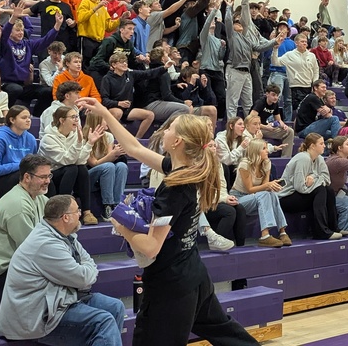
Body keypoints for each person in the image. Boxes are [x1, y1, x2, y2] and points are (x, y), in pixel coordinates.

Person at [77, 100, 260, 346]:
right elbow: (133, 147)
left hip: (171, 285)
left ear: (177, 142)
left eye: (170, 128)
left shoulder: (174, 185)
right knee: (228, 335)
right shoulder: (185, 168)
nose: (164, 131)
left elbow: (151, 246)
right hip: (193, 274)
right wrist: (105, 115)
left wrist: (123, 228)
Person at [0, 194, 125, 344]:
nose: (80, 214)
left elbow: (88, 262)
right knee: (103, 322)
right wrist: (87, 271)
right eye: (77, 211)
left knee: (116, 307)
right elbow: (83, 278)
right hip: (37, 318)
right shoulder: (46, 244)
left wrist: (87, 271)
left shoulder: (65, 235)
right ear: (65, 217)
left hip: (61, 301)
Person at [0, 154, 52, 287]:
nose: (47, 181)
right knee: (58, 280)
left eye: (49, 176)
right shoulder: (18, 204)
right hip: (2, 270)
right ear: (27, 177)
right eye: (43, 177)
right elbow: (30, 247)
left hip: (20, 262)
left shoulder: (39, 197)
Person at [38, 106, 100, 225]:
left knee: (81, 169)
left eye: (77, 116)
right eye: (73, 117)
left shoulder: (75, 135)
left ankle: (87, 211)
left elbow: (81, 161)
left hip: (70, 172)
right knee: (71, 168)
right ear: (62, 120)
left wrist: (89, 143)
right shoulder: (48, 138)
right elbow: (66, 160)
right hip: (50, 176)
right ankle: (63, 209)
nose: (77, 120)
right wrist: (78, 144)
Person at [278, 133, 343, 240]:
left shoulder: (319, 159)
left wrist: (313, 177)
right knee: (321, 190)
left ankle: (333, 228)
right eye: (321, 143)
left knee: (329, 190)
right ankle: (320, 232)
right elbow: (300, 187)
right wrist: (318, 179)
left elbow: (327, 179)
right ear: (312, 146)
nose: (324, 146)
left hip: (301, 195)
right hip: (287, 198)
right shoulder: (303, 158)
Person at [230, 138, 290, 247]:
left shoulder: (266, 163)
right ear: (256, 150)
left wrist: (271, 185)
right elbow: (250, 189)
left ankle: (282, 232)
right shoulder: (245, 164)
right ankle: (265, 236)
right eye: (264, 148)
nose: (267, 151)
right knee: (265, 194)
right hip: (239, 199)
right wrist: (267, 185)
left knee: (271, 194)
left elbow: (265, 188)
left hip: (257, 197)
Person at [83, 113, 129, 221]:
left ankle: (118, 205)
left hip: (107, 172)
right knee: (108, 166)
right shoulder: (84, 136)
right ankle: (107, 206)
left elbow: (110, 159)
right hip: (88, 175)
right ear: (97, 121)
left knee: (121, 166)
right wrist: (112, 154)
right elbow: (93, 163)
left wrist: (116, 153)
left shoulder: (108, 136)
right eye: (105, 119)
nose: (108, 122)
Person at [0, 106, 39, 196]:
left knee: (45, 180)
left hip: (23, 175)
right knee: (22, 176)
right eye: (24, 118)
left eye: (29, 117)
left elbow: (33, 163)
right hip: (2, 179)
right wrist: (21, 165)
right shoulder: (0, 137)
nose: (28, 120)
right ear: (12, 120)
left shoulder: (31, 138)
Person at [250, 85, 295, 157]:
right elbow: (251, 121)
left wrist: (284, 125)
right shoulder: (260, 103)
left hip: (266, 128)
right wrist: (265, 127)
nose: (276, 97)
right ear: (267, 94)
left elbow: (279, 120)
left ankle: (285, 158)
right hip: (256, 129)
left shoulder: (275, 104)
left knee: (289, 131)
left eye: (277, 95)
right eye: (273, 95)